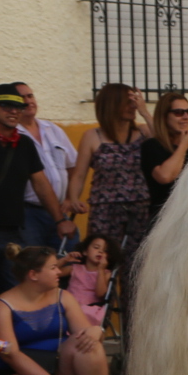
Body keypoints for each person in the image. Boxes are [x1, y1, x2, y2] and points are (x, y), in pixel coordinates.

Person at [0, 243, 111, 375]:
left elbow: (84, 333)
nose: (59, 271)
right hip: (25, 374)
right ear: (33, 275)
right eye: (53, 268)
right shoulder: (3, 306)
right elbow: (10, 353)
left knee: (89, 344)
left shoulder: (63, 296)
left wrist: (96, 330)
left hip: (61, 365)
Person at [0, 89, 81, 290]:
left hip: (11, 230)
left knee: (17, 288)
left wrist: (60, 220)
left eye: (18, 107)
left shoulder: (24, 144)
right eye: (6, 106)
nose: (14, 111)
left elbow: (41, 184)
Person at [69, 83, 155, 263]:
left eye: (134, 102)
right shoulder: (92, 136)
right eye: (127, 102)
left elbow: (163, 143)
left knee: (137, 266)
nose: (133, 106)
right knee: (101, 264)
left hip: (139, 210)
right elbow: (79, 175)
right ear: (111, 105)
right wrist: (74, 198)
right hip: (105, 211)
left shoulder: (144, 131)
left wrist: (145, 113)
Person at [139, 90, 188, 219]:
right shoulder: (151, 146)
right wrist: (183, 146)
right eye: (178, 113)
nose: (186, 116)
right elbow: (165, 177)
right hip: (164, 220)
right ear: (164, 116)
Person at [65, 233, 119, 326]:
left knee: (85, 312)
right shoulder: (75, 268)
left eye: (105, 250)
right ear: (85, 251)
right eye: (96, 247)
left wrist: (100, 270)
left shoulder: (106, 273)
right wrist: (64, 260)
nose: (100, 251)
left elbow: (100, 293)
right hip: (69, 305)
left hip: (90, 308)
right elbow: (52, 272)